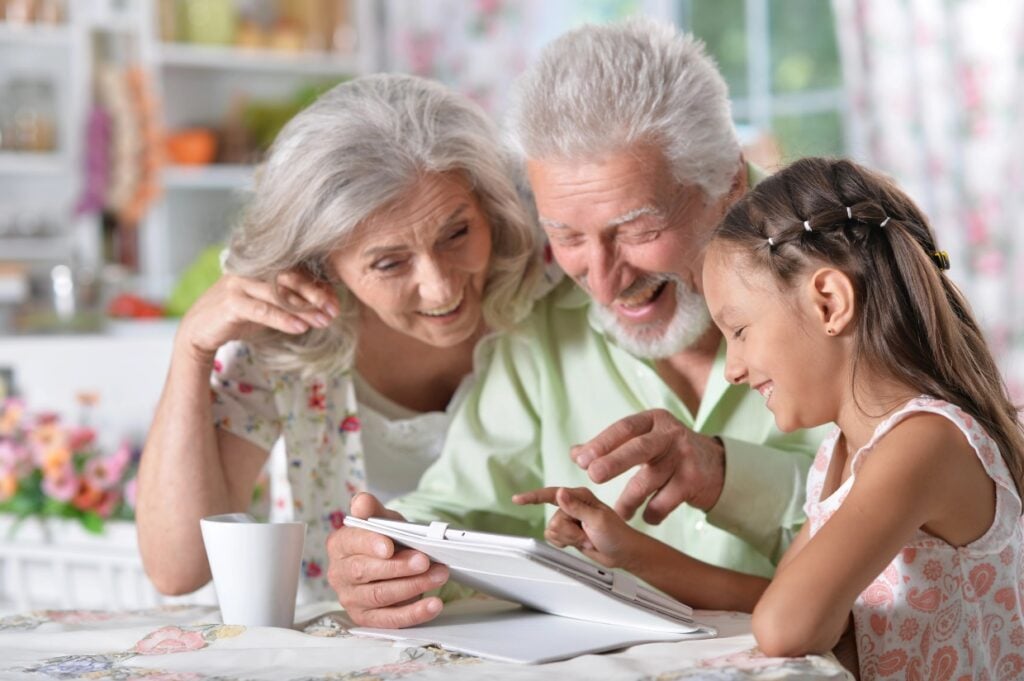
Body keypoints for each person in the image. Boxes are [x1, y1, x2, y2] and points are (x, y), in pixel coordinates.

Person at [327, 19, 827, 628]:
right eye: (566, 236)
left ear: (730, 186)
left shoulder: (835, 302)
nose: (604, 279)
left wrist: (727, 474)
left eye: (639, 231)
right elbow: (461, 509)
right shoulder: (543, 324)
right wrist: (394, 554)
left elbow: (899, 527)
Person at [516, 157, 1024, 679]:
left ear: (828, 303)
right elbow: (778, 598)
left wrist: (821, 622)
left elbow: (786, 627)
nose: (732, 369)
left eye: (738, 331)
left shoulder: (925, 444)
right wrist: (631, 554)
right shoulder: (843, 450)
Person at [136, 74, 545, 602]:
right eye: (390, 262)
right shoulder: (292, 336)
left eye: (457, 233)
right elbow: (178, 568)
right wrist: (191, 350)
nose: (441, 285)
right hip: (363, 635)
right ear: (323, 264)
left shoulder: (544, 291)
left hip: (537, 625)